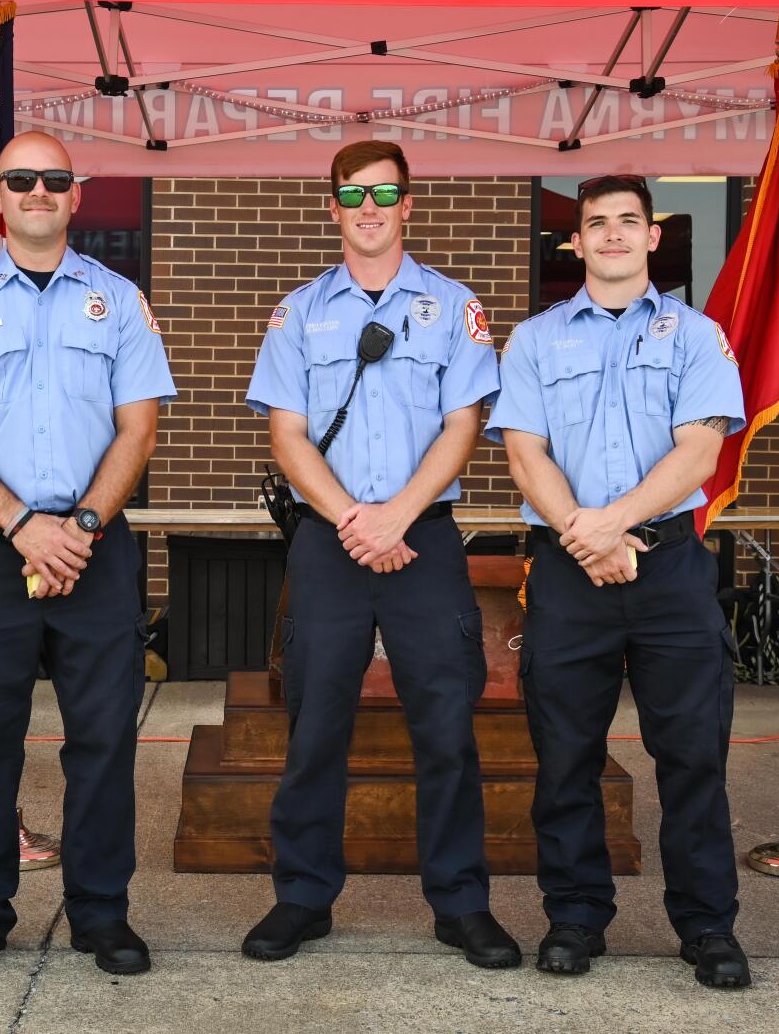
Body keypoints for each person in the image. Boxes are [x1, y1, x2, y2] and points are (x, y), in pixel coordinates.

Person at [240, 141, 517, 968]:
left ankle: (462, 901)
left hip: (422, 534)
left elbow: (464, 425)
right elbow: (285, 434)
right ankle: (302, 896)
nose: (369, 207)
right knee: (315, 722)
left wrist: (397, 515)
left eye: (384, 193)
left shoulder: (455, 306)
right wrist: (355, 519)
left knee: (445, 725)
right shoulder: (297, 314)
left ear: (408, 205)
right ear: (332, 206)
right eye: (352, 194)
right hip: (330, 537)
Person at [0, 131, 175, 977]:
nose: (38, 191)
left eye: (54, 179)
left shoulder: (119, 300)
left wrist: (84, 527)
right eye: (20, 178)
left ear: (75, 194)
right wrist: (25, 524)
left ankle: (101, 913)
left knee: (103, 741)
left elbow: (139, 428)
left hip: (95, 550)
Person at [486, 174, 751, 987]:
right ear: (575, 242)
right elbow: (525, 454)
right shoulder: (533, 340)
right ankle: (574, 917)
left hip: (668, 568)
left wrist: (614, 524)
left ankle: (707, 926)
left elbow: (699, 452)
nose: (610, 235)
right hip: (568, 570)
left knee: (692, 755)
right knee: (566, 755)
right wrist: (586, 533)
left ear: (652, 235)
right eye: (594, 223)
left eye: (626, 221)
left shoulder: (697, 335)